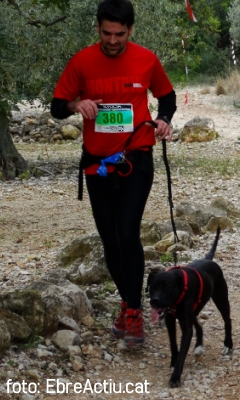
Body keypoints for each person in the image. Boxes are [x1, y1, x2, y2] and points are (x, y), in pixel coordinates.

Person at [50, 0, 176, 346]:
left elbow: (168, 96)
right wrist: (77, 104)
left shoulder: (146, 59)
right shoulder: (82, 61)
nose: (113, 40)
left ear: (130, 30)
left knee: (126, 231)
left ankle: (133, 313)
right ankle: (128, 302)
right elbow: (57, 106)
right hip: (97, 163)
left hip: (138, 156)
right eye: (106, 33)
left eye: (119, 34)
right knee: (109, 238)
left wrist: (164, 120)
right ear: (98, 29)